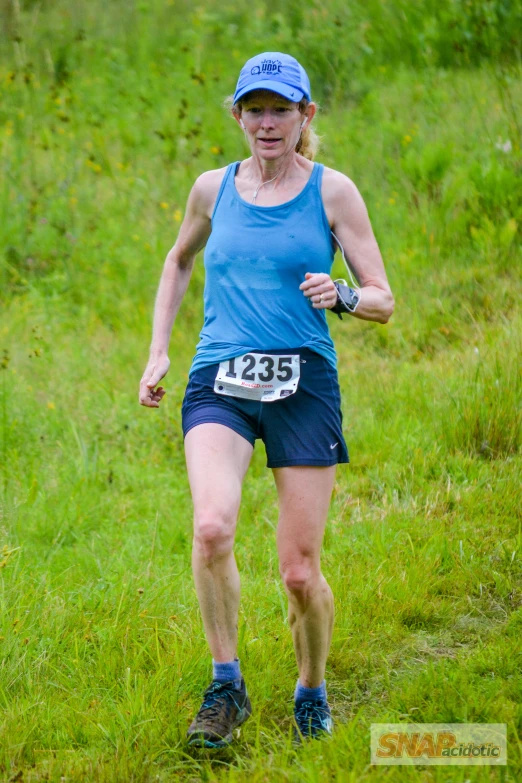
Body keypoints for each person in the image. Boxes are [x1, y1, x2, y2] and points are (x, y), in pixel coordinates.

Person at [139, 52, 394, 747]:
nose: (267, 122)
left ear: (306, 116)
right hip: (220, 375)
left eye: (281, 109)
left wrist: (341, 294)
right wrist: (161, 348)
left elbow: (383, 298)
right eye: (255, 109)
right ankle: (227, 685)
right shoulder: (209, 188)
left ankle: (310, 685)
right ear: (237, 116)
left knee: (299, 571)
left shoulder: (333, 192)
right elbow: (178, 258)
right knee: (212, 527)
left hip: (303, 380)